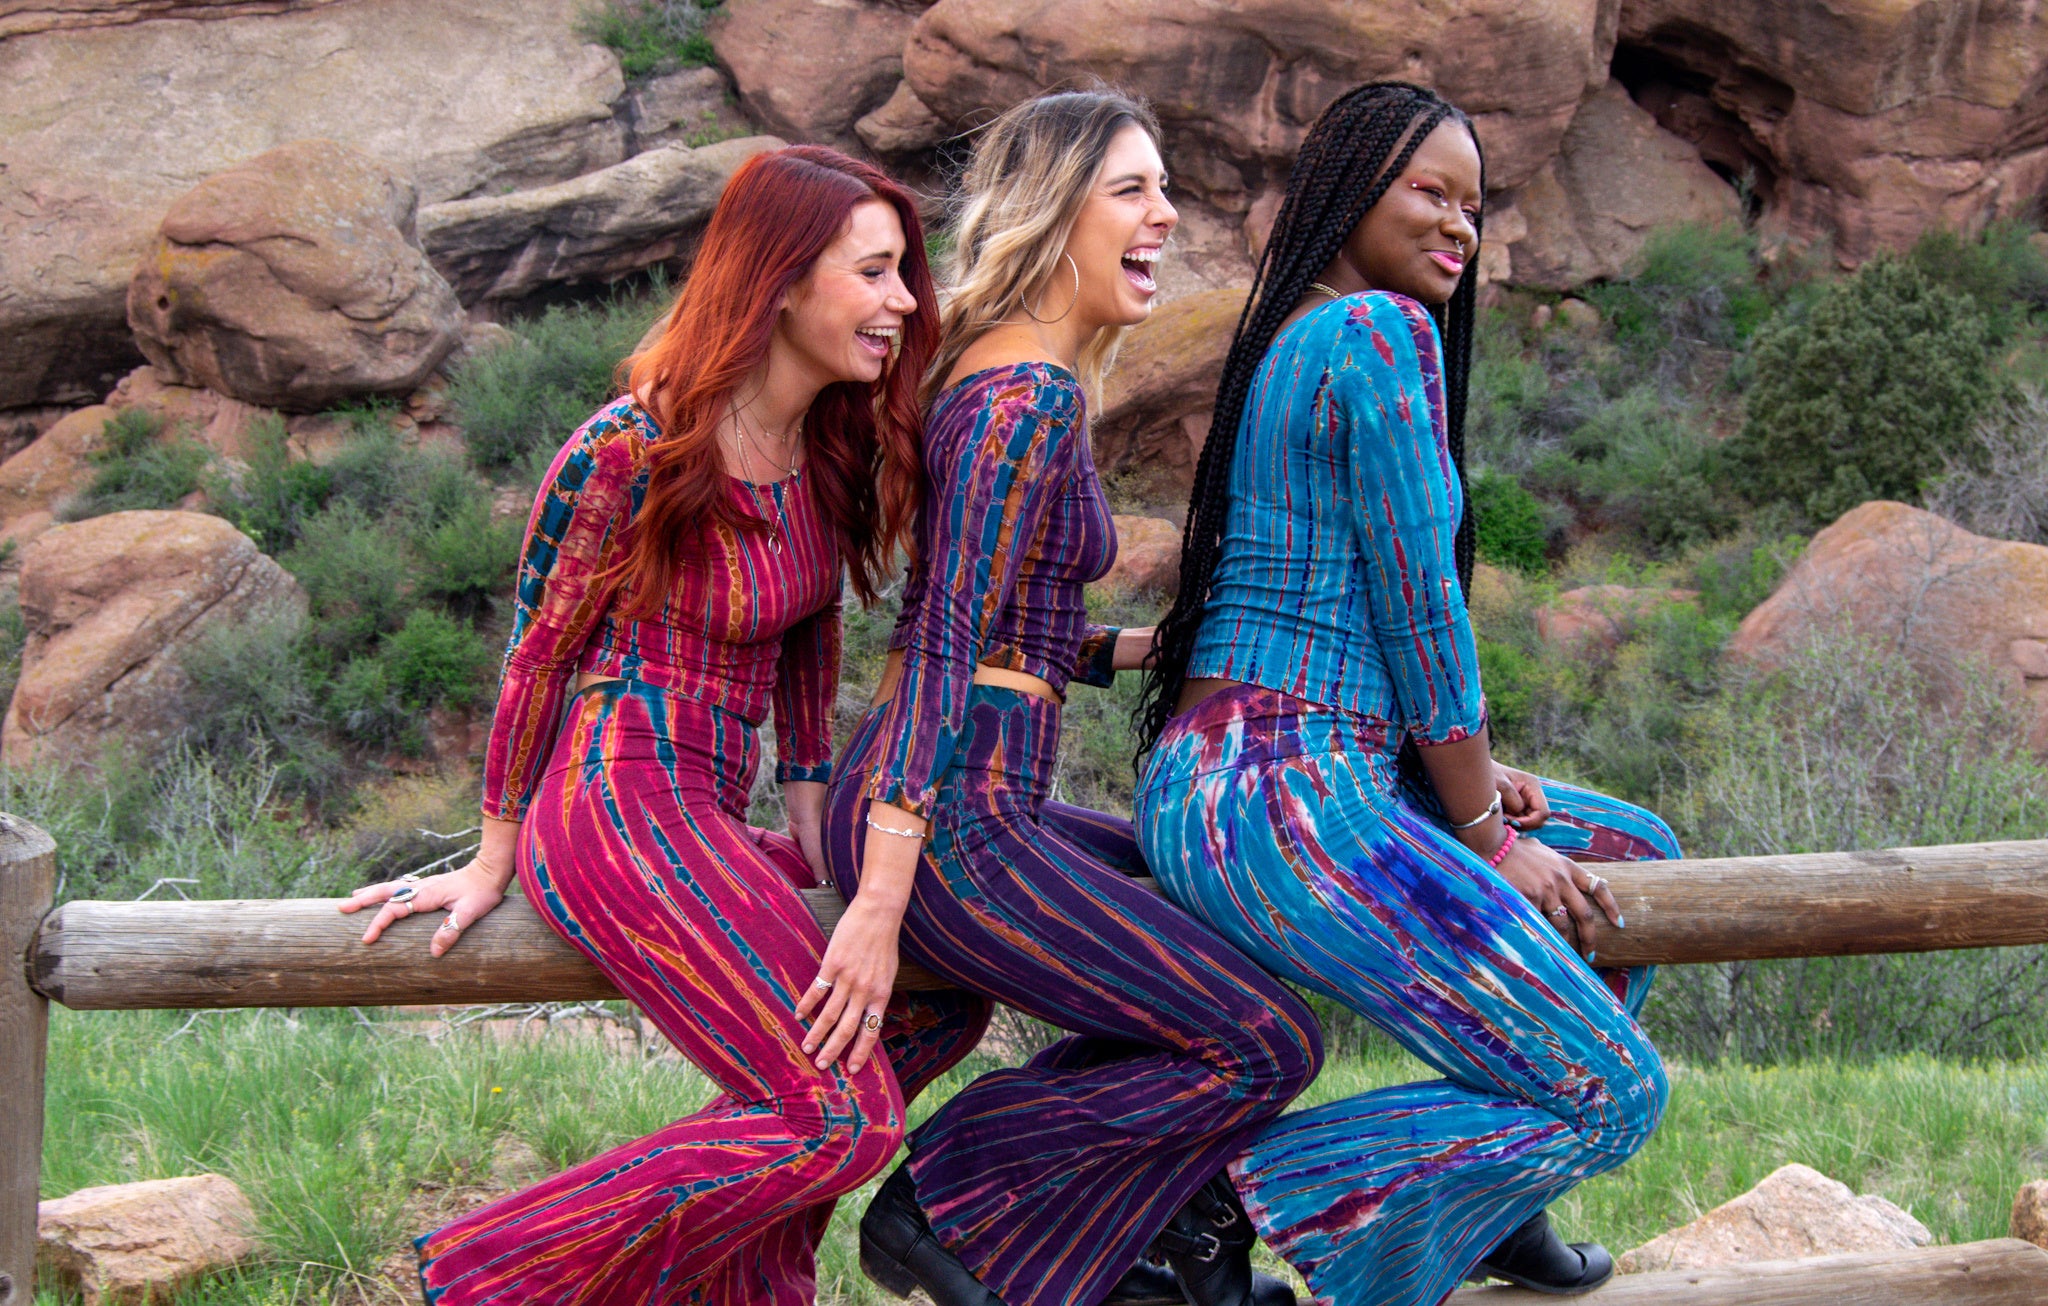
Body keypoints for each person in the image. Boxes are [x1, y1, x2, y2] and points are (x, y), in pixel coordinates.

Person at [339, 145, 992, 1305]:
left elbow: (807, 652)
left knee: (945, 979)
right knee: (840, 1120)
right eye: (876, 271)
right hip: (608, 798)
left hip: (705, 806)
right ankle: (479, 1278)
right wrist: (493, 850)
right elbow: (536, 652)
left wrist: (821, 834)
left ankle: (743, 1288)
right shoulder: (630, 446)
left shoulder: (820, 451)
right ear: (781, 279)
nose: (902, 301)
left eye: (906, 274)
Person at [1133, 82, 1681, 1306]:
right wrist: (1481, 833)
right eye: (1425, 193)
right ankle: (1205, 1204)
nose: (1457, 227)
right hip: (1276, 792)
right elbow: (1417, 603)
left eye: (1472, 206)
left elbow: (1345, 609)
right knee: (1613, 1088)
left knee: (1625, 854)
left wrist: (1475, 780)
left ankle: (1492, 1204)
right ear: (1346, 195)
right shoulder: (1376, 333)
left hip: (1284, 772)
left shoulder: (1304, 334)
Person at [816, 91, 1322, 1306]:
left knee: (1205, 890)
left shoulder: (1004, 378)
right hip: (948, 817)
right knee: (1266, 1038)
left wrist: (1176, 644)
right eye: (1130, 190)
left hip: (971, 793)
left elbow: (1010, 633)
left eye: (1162, 189)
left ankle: (1150, 1241)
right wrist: (882, 900)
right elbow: (943, 642)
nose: (1164, 214)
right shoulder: (1022, 399)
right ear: (1054, 213)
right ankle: (944, 1196)